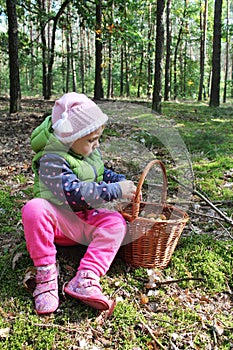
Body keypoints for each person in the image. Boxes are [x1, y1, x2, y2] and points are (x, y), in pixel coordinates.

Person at [22, 92, 137, 315]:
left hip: (84, 220)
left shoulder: (88, 152)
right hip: (59, 224)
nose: (96, 145)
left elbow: (102, 173)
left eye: (98, 139)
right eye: (91, 140)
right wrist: (114, 191)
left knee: (115, 222)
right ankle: (45, 276)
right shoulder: (52, 159)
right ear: (70, 139)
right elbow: (73, 193)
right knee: (34, 209)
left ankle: (87, 277)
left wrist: (118, 181)